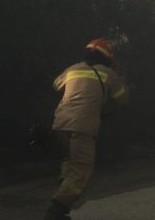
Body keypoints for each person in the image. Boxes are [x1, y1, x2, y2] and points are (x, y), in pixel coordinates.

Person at [43, 38, 130, 220]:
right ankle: (55, 212)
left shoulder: (72, 69)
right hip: (82, 127)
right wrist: (118, 77)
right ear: (107, 58)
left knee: (69, 163)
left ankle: (62, 200)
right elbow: (122, 98)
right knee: (81, 171)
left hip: (59, 124)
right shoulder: (108, 73)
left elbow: (55, 85)